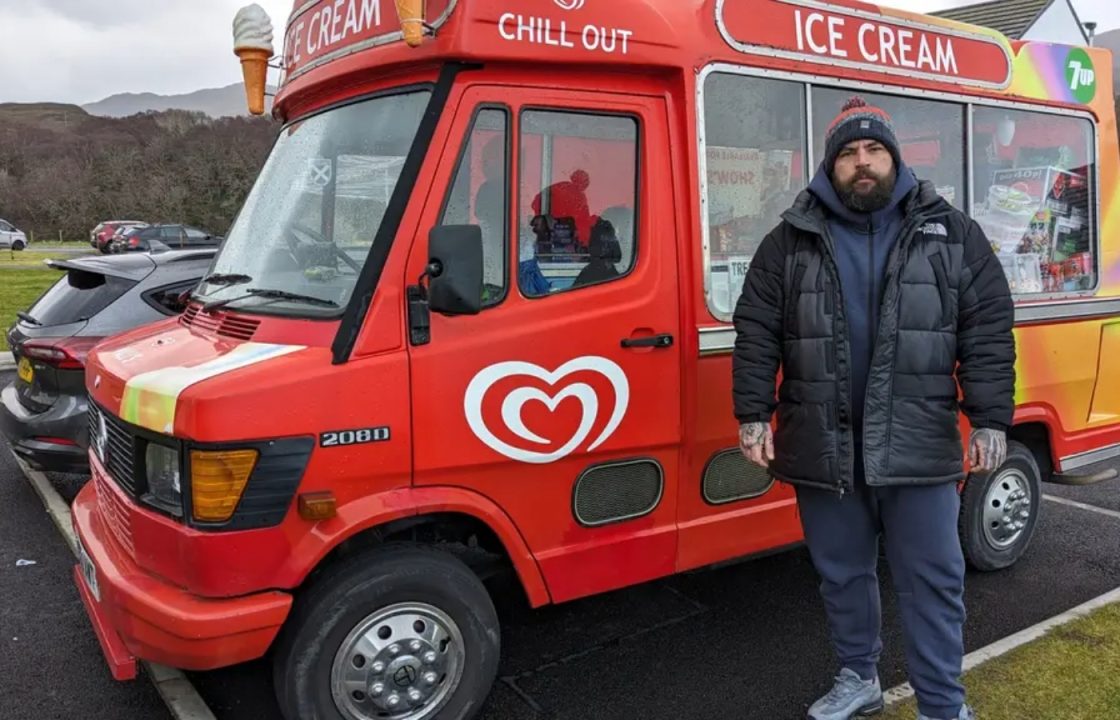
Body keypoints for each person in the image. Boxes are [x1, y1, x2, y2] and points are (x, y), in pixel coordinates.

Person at [732, 96, 1015, 720]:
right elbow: (755, 328)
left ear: (894, 157)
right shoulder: (789, 240)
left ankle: (943, 705)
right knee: (843, 575)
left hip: (918, 443)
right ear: (830, 165)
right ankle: (859, 677)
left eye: (874, 150)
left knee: (933, 582)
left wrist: (992, 417)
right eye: (849, 153)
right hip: (823, 445)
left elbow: (988, 327)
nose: (863, 163)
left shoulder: (951, 233)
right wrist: (752, 412)